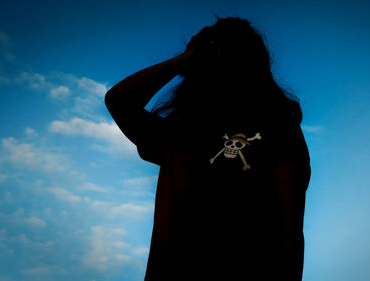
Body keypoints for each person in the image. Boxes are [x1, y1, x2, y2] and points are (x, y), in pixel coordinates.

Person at [105, 16, 311, 281]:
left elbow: (289, 222)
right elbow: (119, 100)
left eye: (228, 48)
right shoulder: (181, 131)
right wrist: (185, 58)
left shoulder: (277, 125)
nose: (219, 57)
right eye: (211, 50)